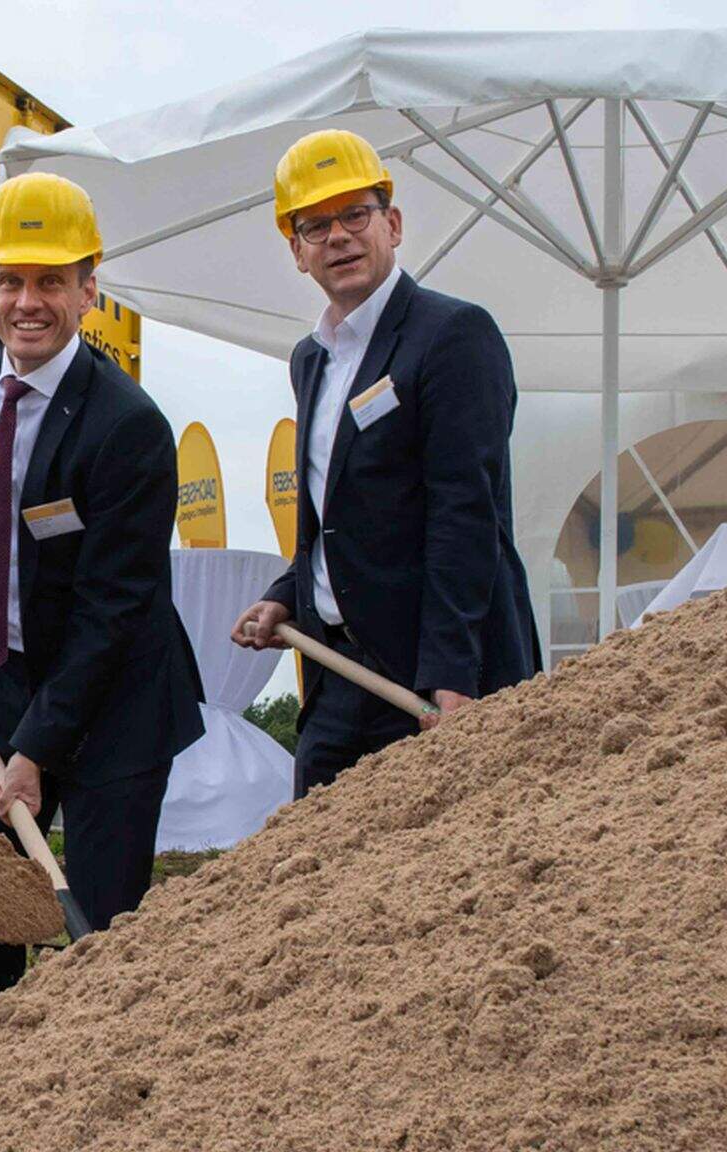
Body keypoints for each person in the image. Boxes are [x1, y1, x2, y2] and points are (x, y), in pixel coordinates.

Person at [0, 172, 205, 1026]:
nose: (28, 303)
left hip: (115, 704)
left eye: (51, 282)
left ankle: (98, 1085)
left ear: (88, 288)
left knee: (99, 936)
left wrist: (36, 751)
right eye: (11, 281)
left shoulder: (128, 427)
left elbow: (115, 610)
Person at [231, 128, 541, 798]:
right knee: (319, 876)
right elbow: (337, 513)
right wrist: (285, 596)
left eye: (355, 215)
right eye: (316, 225)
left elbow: (467, 514)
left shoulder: (453, 336)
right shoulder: (309, 360)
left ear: (392, 224)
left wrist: (453, 680)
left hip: (433, 682)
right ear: (297, 251)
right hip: (336, 677)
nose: (338, 236)